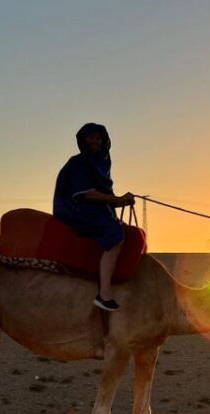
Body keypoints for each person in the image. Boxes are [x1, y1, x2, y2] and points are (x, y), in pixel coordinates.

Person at [53, 123, 135, 311]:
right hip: (76, 209)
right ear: (83, 141)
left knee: (126, 231)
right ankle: (104, 294)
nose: (95, 141)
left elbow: (105, 195)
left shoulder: (101, 164)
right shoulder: (79, 163)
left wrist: (122, 200)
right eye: (90, 137)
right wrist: (117, 199)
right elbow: (86, 194)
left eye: (98, 137)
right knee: (115, 235)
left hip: (94, 209)